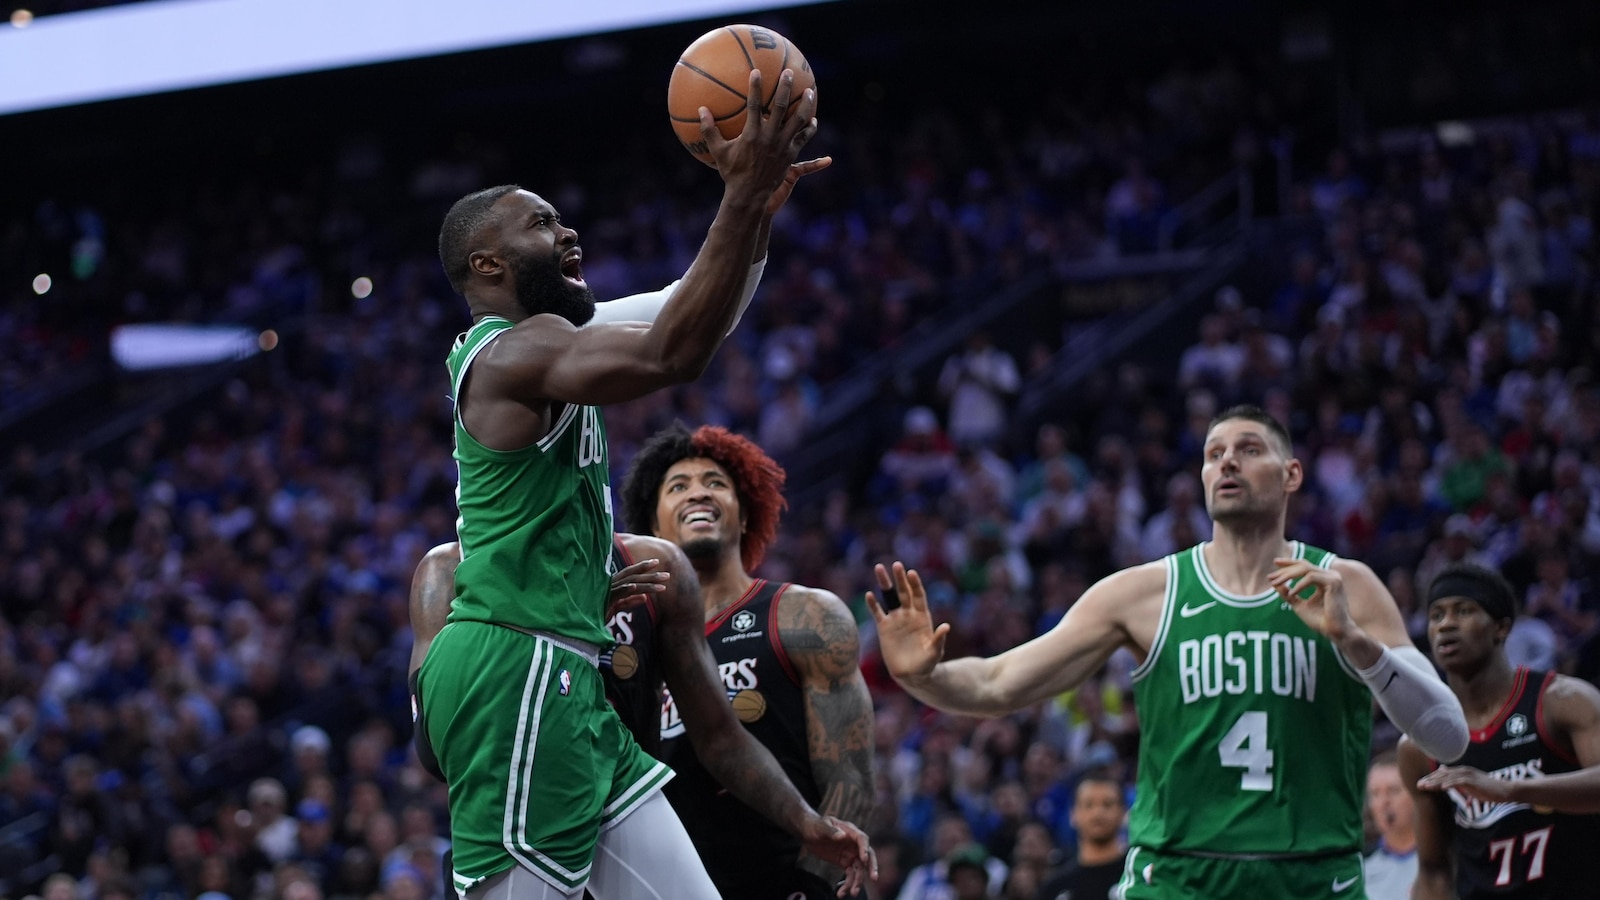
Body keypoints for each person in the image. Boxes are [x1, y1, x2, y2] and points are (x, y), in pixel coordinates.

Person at [416, 70, 843, 900]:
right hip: (516, 668)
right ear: (488, 262)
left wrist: (751, 208)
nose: (569, 233)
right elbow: (674, 354)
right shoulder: (513, 351)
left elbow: (695, 308)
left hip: (572, 679)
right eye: (543, 225)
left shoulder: (550, 339)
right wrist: (739, 198)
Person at [870, 405, 1470, 898]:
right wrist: (924, 677)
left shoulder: (1347, 585)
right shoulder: (1142, 592)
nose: (1228, 460)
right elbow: (999, 683)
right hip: (1177, 877)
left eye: (1249, 448)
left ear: (1292, 475)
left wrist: (1355, 642)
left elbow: (1449, 738)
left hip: (1312, 876)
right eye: (1214, 454)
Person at [619, 423, 876, 899]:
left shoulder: (805, 616)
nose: (699, 493)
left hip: (788, 883)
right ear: (653, 529)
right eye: (678, 487)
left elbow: (850, 780)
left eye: (716, 484)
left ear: (744, 516)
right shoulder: (633, 642)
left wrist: (808, 887)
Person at [1399, 563, 1600, 899]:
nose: (1446, 624)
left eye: (1463, 611)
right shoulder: (1420, 745)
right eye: (1436, 615)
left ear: (1501, 628)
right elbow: (1434, 872)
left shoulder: (1562, 701)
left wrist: (1510, 790)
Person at [1036, 775, 1128, 900]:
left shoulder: (1136, 876)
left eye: (1107, 804)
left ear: (1122, 813)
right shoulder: (1055, 887)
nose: (1098, 813)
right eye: (1089, 805)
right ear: (1073, 814)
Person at [1361, 751, 1416, 900]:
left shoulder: (1442, 859)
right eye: (1375, 793)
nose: (1383, 802)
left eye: (1393, 791)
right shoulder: (1360, 865)